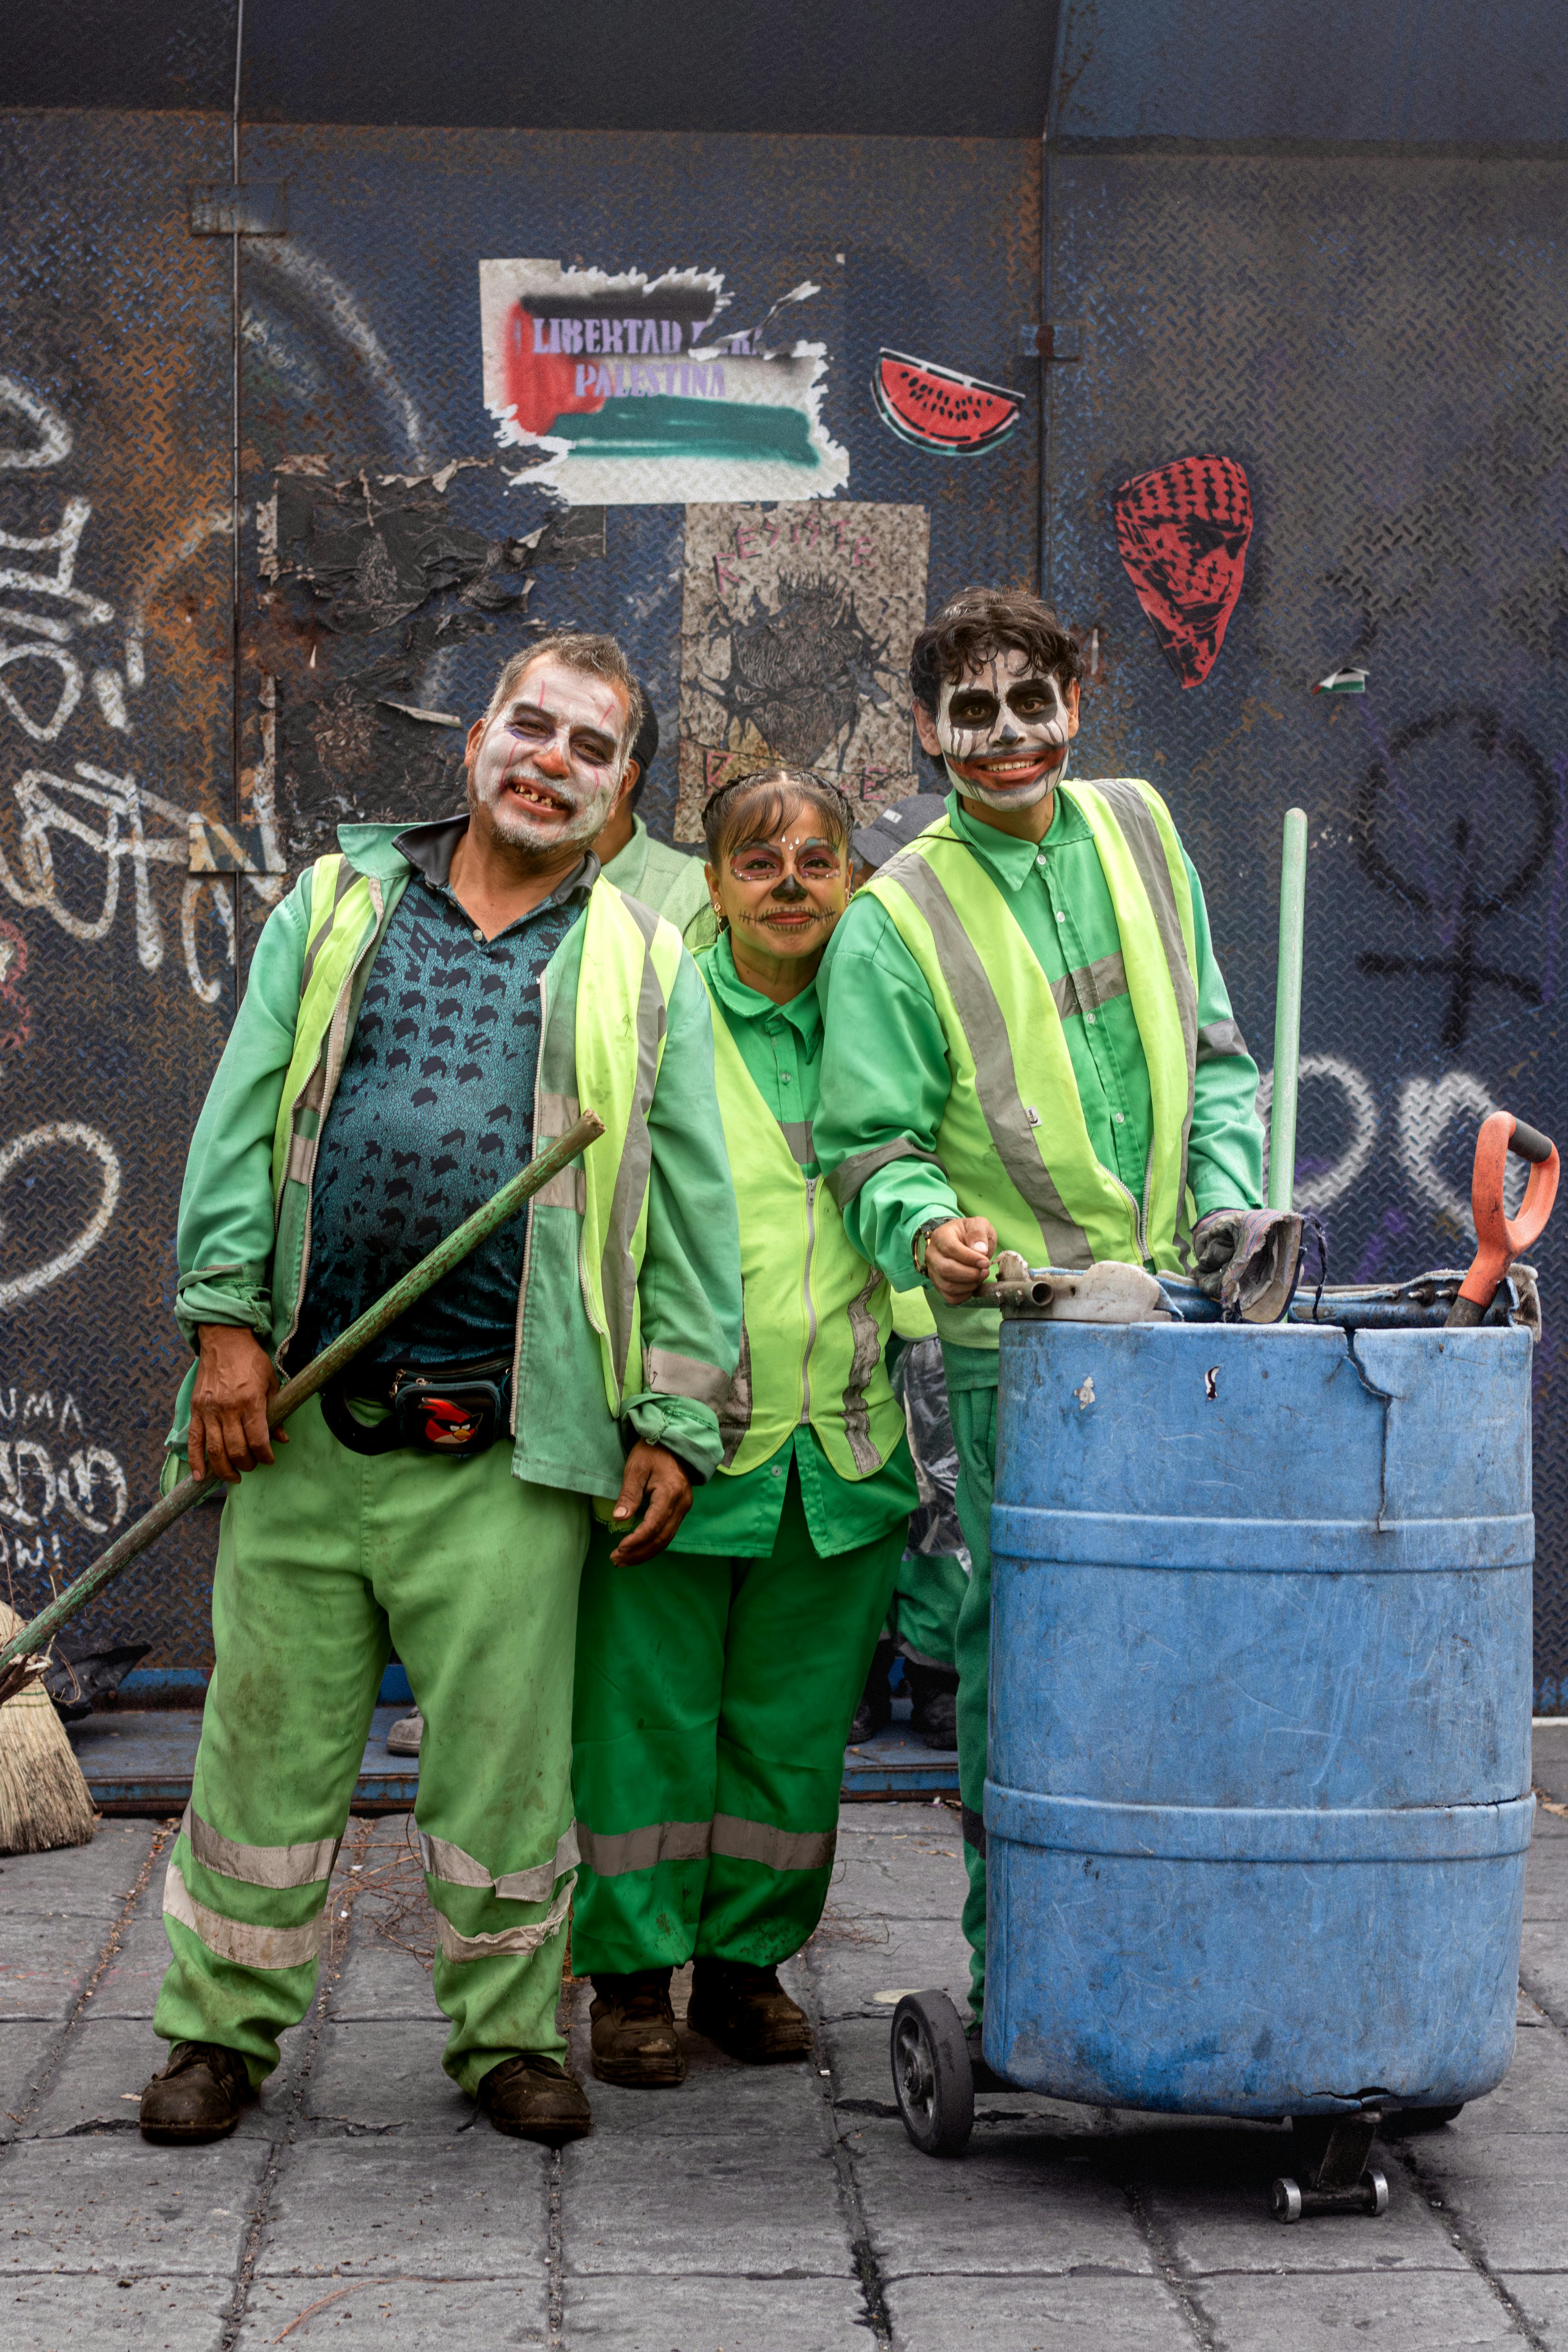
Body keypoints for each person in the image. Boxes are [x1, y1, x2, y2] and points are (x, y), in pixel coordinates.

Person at [138, 631, 740, 2149]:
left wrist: (673, 1415)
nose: (549, 761)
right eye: (529, 727)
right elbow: (240, 1117)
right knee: (263, 1745)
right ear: (477, 737)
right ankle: (217, 2035)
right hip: (299, 1428)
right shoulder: (341, 902)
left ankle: (504, 2040)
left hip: (506, 1445)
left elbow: (693, 1207)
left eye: (589, 750)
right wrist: (224, 1327)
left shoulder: (642, 958)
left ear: (622, 797)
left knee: (501, 1766)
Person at [815, 586, 1278, 2055]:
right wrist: (924, 1231)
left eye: (1031, 703)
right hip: (1006, 1356)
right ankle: (1032, 1990)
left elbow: (1212, 1054)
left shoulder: (1142, 833)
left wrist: (1225, 1206)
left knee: (1193, 1652)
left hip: (1179, 1331)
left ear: (1078, 703)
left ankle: (1195, 1972)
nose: (1004, 736)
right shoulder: (893, 917)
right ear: (923, 727)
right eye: (971, 709)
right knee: (1019, 1675)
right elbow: (866, 1149)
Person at [570, 765, 919, 2087]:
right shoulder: (659, 1014)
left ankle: (743, 1969)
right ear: (711, 884)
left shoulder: (880, 1019)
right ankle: (627, 1983)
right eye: (758, 861)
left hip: (838, 1452)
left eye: (816, 859)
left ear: (853, 880)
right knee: (645, 1724)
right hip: (678, 1447)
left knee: (787, 1733)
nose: (789, 882)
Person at [592, 696, 715, 945]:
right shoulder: (511, 867)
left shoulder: (690, 894)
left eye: (586, 747)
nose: (551, 760)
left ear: (623, 780)